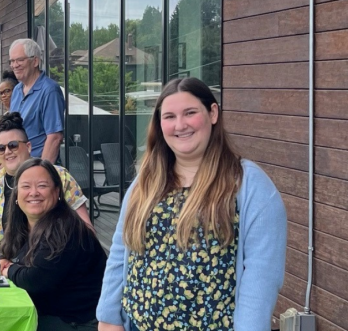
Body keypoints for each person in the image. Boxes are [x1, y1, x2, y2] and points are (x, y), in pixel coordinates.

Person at [97, 77, 287, 331]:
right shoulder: (146, 182)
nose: (180, 125)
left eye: (190, 113)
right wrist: (108, 316)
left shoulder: (248, 185)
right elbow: (121, 250)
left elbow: (262, 277)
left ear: (213, 113)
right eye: (169, 117)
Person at [0, 159, 106, 331]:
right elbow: (3, 251)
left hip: (78, 322)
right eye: (25, 187)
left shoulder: (67, 229)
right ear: (16, 194)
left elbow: (34, 279)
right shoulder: (23, 224)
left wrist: (8, 269)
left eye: (42, 186)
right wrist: (4, 260)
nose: (33, 193)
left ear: (57, 192)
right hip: (51, 315)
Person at [0, 112, 91, 244]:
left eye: (13, 145)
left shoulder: (58, 176)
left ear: (28, 147)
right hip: (3, 259)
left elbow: (87, 228)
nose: (7, 151)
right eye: (1, 148)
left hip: (51, 257)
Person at [7, 39, 64, 162]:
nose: (14, 65)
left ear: (35, 61)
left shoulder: (49, 90)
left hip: (36, 165)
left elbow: (55, 137)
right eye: (12, 61)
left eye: (20, 60)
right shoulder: (17, 90)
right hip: (17, 164)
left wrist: (41, 172)